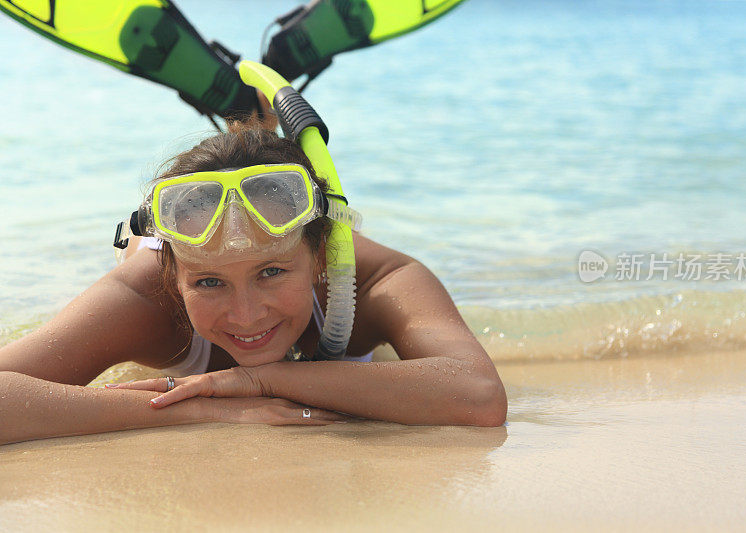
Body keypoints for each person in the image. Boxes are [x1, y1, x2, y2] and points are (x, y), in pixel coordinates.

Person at [0, 117, 507, 446]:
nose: (246, 316)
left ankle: (250, 123)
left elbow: (479, 395)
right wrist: (189, 411)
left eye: (271, 272)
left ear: (321, 256)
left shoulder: (379, 279)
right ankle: (246, 122)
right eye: (209, 284)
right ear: (174, 277)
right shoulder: (146, 294)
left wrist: (256, 380)